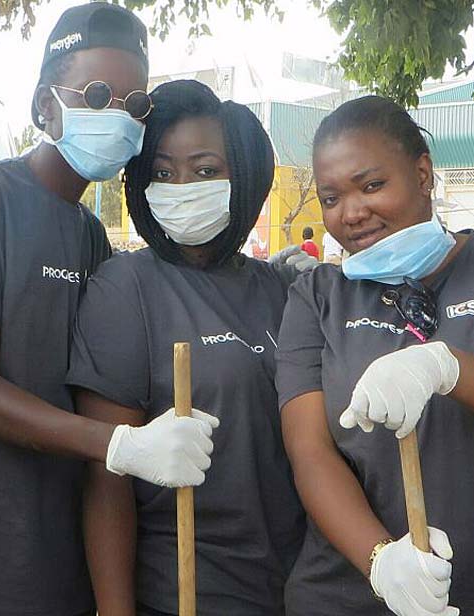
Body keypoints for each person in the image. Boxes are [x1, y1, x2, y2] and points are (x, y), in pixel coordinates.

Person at [0, 7, 219, 616]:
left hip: (54, 558)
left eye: (134, 104)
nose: (117, 115)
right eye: (96, 94)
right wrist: (120, 445)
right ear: (47, 106)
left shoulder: (90, 235)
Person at [276, 95, 474, 616]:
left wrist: (445, 367)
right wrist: (381, 562)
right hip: (355, 593)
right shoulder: (317, 297)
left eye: (372, 185)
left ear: (423, 174)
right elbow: (310, 452)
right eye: (330, 198)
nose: (351, 213)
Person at [69, 80, 304, 616]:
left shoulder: (284, 289)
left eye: (204, 171)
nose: (181, 187)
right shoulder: (125, 289)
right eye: (162, 173)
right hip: (185, 593)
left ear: (243, 177)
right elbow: (108, 478)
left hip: (296, 583)